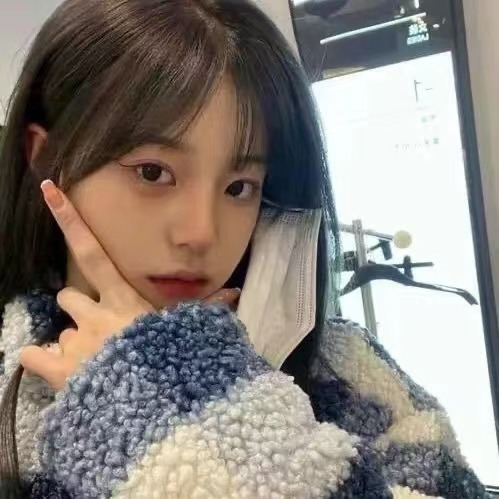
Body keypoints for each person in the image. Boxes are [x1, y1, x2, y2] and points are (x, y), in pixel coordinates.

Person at [0, 0, 490, 498]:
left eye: (239, 187)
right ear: (46, 160)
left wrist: (159, 400)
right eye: (152, 172)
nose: (201, 233)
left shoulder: (350, 372)